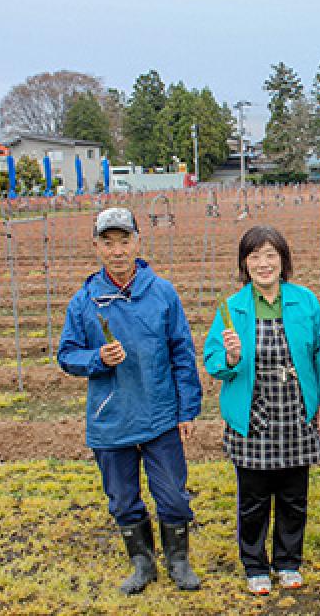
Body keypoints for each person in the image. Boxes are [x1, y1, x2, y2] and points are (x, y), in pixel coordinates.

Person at [57, 207, 202, 595]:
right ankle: (141, 562)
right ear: (96, 247)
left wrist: (187, 408)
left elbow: (182, 353)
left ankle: (178, 559)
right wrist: (96, 360)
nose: (117, 251)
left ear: (138, 242)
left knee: (171, 492)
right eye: (108, 243)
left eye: (125, 241)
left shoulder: (162, 293)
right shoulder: (85, 301)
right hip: (111, 416)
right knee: (122, 496)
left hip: (159, 413)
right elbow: (66, 355)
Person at [203, 225, 320, 596]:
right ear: (245, 264)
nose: (264, 264)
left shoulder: (304, 301)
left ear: (283, 260)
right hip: (253, 418)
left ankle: (288, 561)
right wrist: (229, 357)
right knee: (254, 500)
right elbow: (212, 361)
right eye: (255, 256)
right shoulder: (233, 308)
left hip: (295, 416)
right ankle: (255, 565)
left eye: (271, 255)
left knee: (294, 497)